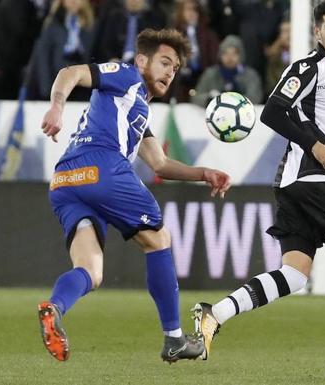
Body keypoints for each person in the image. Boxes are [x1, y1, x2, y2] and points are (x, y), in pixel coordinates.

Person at [192, 1, 325, 382]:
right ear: (317, 32)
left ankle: (214, 314)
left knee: (296, 275)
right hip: (313, 180)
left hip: (298, 185)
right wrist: (313, 145)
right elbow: (273, 111)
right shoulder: (307, 68)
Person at [38, 28, 231, 363]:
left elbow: (159, 162)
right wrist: (57, 108)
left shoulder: (136, 107)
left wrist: (204, 174)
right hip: (101, 166)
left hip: (66, 179)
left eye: (176, 67)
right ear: (142, 60)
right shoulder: (126, 75)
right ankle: (174, 339)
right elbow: (70, 72)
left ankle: (54, 308)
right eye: (164, 62)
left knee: (91, 270)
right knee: (159, 238)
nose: (171, 72)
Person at [27, 0, 95, 101]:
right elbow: (43, 57)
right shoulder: (52, 24)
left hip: (82, 85)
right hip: (56, 82)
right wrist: (46, 89)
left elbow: (94, 55)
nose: (73, 1)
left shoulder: (91, 25)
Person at [190, 34, 263, 107]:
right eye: (225, 53)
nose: (230, 58)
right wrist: (210, 99)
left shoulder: (250, 75)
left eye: (234, 54)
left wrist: (230, 100)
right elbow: (196, 96)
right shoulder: (210, 74)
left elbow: (255, 97)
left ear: (241, 55)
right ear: (220, 55)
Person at [170, 0, 218, 102]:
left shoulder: (209, 35)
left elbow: (214, 61)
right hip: (180, 78)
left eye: (195, 10)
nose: (192, 13)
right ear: (181, 12)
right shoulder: (172, 35)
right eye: (188, 9)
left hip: (202, 77)